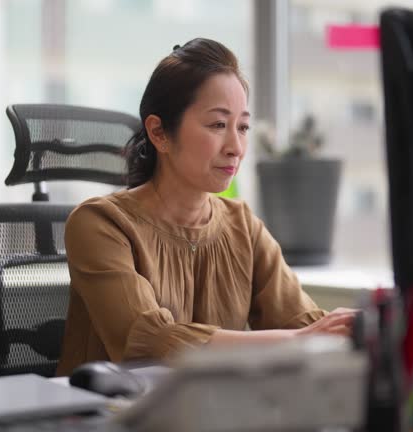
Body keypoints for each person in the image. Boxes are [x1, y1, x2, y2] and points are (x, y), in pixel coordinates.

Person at [56, 38, 356, 376]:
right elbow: (146, 341)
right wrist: (298, 340)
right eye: (217, 125)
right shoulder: (99, 223)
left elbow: (302, 321)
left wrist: (350, 329)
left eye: (242, 127)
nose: (236, 147)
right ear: (159, 133)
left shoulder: (242, 225)